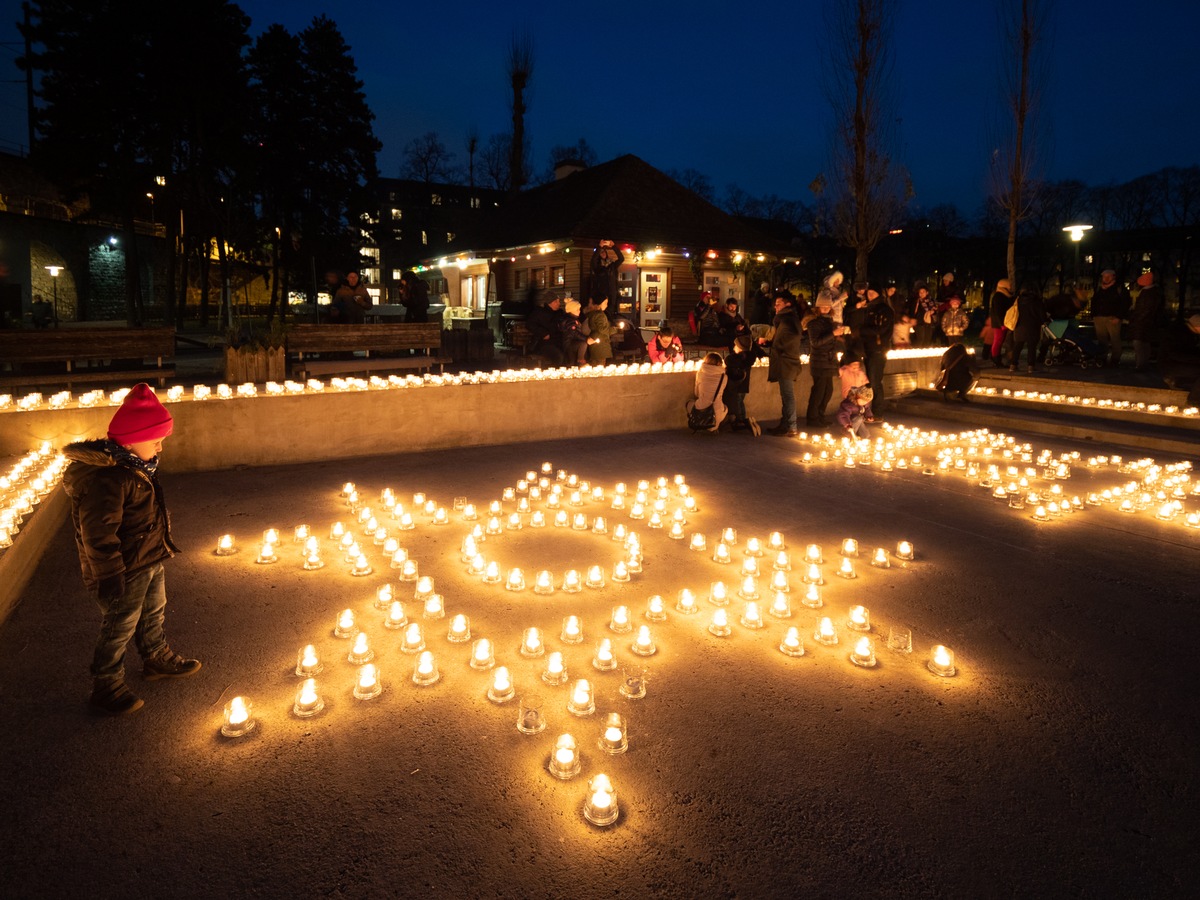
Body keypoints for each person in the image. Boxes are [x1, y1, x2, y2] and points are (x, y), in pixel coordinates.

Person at [62, 384, 200, 716]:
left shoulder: (136, 468)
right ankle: (106, 683)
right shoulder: (109, 479)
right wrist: (109, 574)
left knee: (154, 610)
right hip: (122, 568)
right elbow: (97, 532)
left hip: (148, 557)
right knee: (121, 621)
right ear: (130, 439)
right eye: (156, 439)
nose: (161, 446)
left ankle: (155, 657)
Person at [763, 293, 803, 437]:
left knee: (788, 395)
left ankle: (792, 426)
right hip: (786, 362)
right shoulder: (788, 320)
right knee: (785, 395)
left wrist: (776, 348)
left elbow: (788, 340)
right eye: (775, 304)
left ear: (788, 304)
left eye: (778, 303)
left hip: (786, 362)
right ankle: (785, 425)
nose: (775, 306)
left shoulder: (787, 321)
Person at [803, 290, 844, 428]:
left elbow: (829, 340)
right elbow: (815, 342)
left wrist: (838, 336)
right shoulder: (813, 323)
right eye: (823, 306)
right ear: (817, 307)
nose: (826, 308)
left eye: (828, 306)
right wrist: (833, 334)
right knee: (819, 391)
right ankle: (812, 418)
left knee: (828, 391)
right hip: (819, 361)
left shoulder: (829, 321)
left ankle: (820, 415)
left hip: (829, 360)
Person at [723, 334, 764, 435]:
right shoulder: (748, 359)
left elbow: (728, 361)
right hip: (743, 386)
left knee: (736, 404)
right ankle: (743, 421)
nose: (733, 348)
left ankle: (741, 422)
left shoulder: (738, 359)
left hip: (737, 386)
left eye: (735, 346)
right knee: (740, 403)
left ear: (740, 348)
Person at [860, 288, 895, 408]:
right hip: (868, 348)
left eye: (873, 292)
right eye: (868, 292)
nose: (869, 295)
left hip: (879, 349)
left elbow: (881, 329)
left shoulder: (884, 310)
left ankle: (877, 411)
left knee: (875, 381)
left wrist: (860, 331)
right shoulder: (868, 308)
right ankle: (869, 410)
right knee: (869, 381)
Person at [1089, 269, 1131, 367]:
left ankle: (1115, 360)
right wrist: (1094, 315)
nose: (1106, 278)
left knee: (1115, 339)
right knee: (1101, 340)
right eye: (1104, 276)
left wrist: (1119, 317)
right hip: (1099, 317)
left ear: (1113, 277)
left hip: (1113, 318)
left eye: (1108, 276)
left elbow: (1126, 303)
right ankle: (1102, 358)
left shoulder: (1119, 289)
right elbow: (1094, 301)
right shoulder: (1099, 289)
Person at [1159, 314, 1200, 406]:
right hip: (1170, 365)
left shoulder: (1190, 333)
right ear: (1197, 326)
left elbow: (1191, 351)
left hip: (1179, 362)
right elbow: (1175, 354)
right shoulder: (1178, 334)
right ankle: (1194, 400)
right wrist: (1197, 360)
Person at [1008, 283, 1045, 373]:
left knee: (1017, 346)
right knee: (1032, 348)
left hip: (1019, 327)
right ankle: (1030, 367)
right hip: (1033, 327)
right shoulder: (1037, 302)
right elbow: (1042, 316)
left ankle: (1013, 365)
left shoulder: (1018, 300)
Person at [1130, 272, 1162, 372]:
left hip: (1142, 323)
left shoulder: (1147, 293)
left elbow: (1145, 309)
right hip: (1146, 322)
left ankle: (1141, 364)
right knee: (1144, 343)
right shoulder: (1152, 292)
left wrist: (1136, 319)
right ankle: (1143, 363)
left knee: (1139, 343)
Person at [692, 352, 728, 433]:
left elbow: (696, 394)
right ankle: (715, 426)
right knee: (725, 408)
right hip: (717, 411)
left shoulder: (700, 374)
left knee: (689, 404)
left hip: (701, 408)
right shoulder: (724, 377)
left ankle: (699, 422)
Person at [589, 239, 624, 322]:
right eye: (601, 252)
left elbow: (621, 258)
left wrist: (614, 246)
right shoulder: (597, 267)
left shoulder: (612, 265)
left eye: (604, 251)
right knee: (602, 313)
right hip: (602, 294)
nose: (603, 253)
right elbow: (593, 260)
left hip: (612, 293)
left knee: (611, 313)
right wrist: (599, 247)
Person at [525, 295, 565, 366]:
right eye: (556, 301)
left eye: (559, 301)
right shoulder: (539, 313)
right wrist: (543, 333)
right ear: (550, 303)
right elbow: (530, 324)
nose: (559, 303)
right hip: (544, 343)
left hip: (559, 341)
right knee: (558, 356)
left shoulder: (559, 313)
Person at [988, 279, 1015, 367]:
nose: (1010, 287)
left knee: (1000, 341)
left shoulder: (1005, 296)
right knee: (998, 341)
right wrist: (1002, 324)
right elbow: (998, 312)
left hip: (1003, 323)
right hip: (1000, 324)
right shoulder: (999, 296)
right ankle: (995, 358)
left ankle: (996, 358)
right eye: (1009, 286)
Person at [584, 297, 613, 365]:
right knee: (599, 367)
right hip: (600, 345)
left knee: (594, 365)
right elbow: (603, 330)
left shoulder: (592, 314)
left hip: (595, 343)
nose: (607, 305)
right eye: (605, 303)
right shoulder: (600, 315)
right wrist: (616, 329)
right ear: (600, 304)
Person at [561, 299, 588, 366]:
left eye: (579, 309)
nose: (579, 311)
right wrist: (586, 339)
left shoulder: (573, 319)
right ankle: (580, 360)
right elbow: (574, 332)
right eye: (577, 310)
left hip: (572, 343)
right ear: (571, 311)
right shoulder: (570, 321)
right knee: (583, 344)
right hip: (569, 344)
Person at [912, 282, 938, 346]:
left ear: (927, 292)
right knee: (921, 339)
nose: (921, 293)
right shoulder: (917, 301)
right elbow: (914, 312)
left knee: (927, 339)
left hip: (929, 323)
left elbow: (935, 310)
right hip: (920, 323)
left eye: (923, 291)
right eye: (920, 292)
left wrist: (932, 312)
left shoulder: (931, 301)